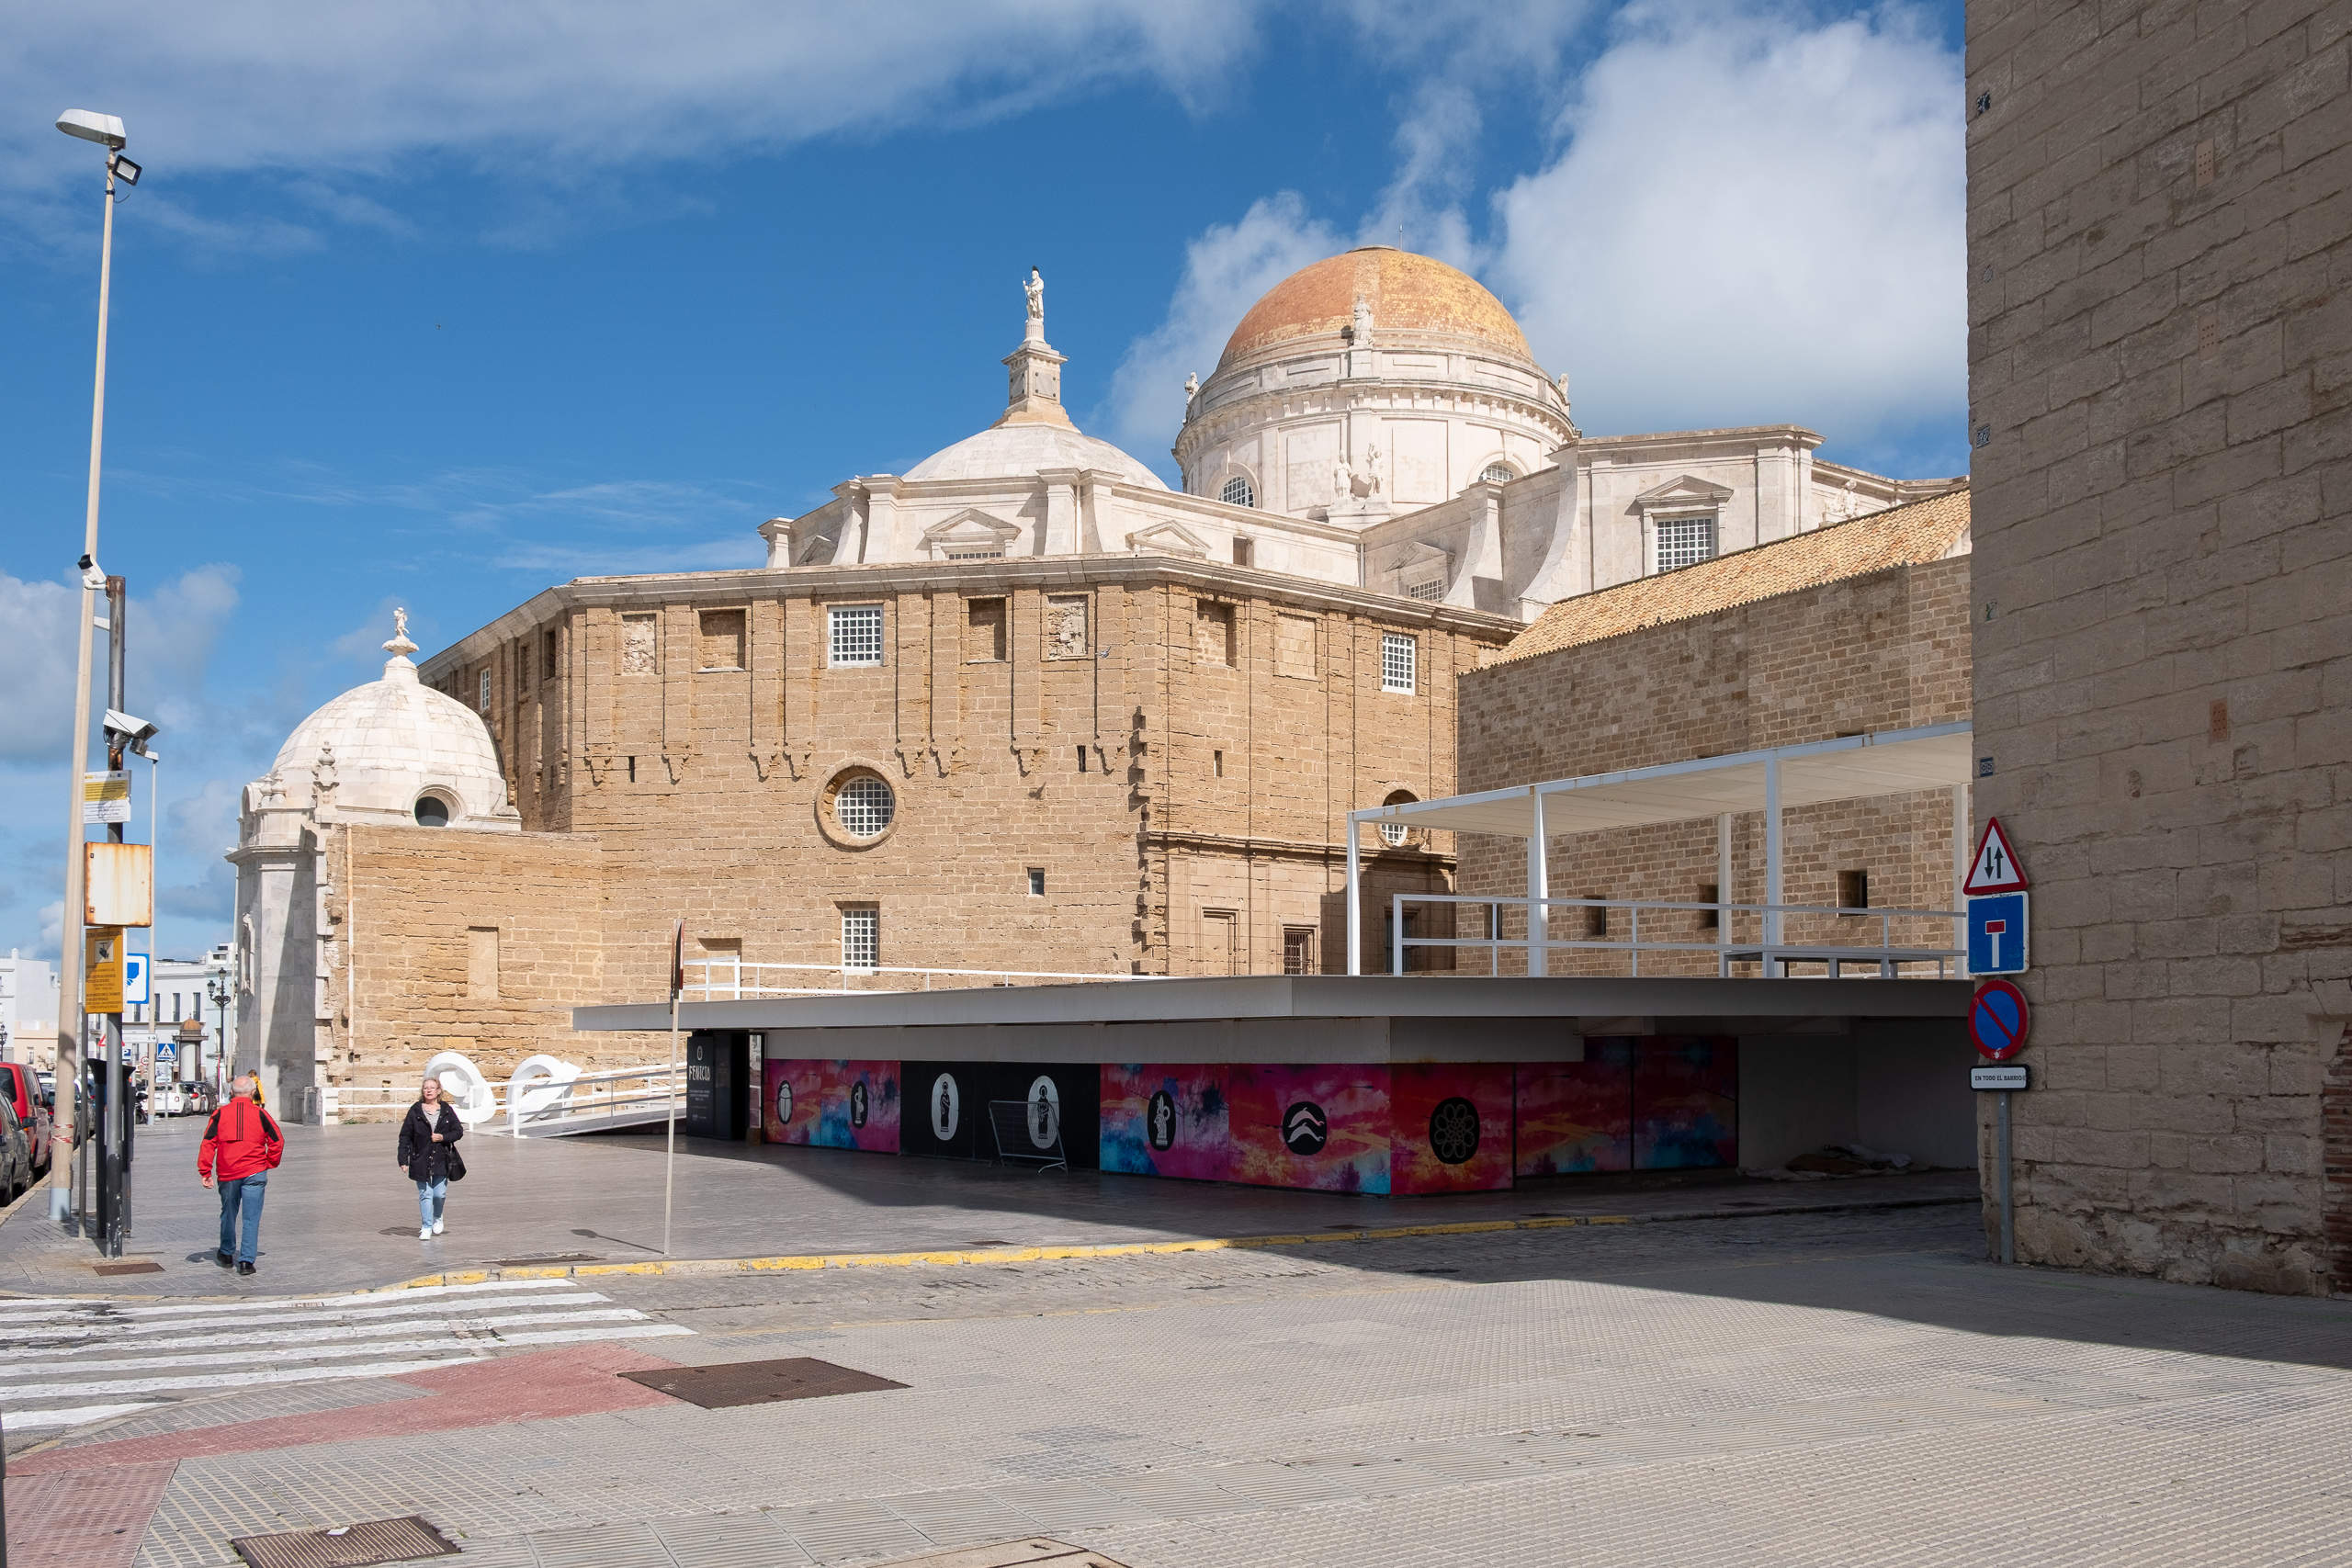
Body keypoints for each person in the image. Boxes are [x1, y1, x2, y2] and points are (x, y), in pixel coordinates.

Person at [198, 1075, 283, 1277]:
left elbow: (208, 1142)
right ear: (253, 1093)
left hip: (228, 1172)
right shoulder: (261, 1114)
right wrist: (269, 1162)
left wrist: (205, 1170)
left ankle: (227, 1253)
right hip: (255, 1171)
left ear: (231, 1092)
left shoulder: (220, 1114)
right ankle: (246, 1261)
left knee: (228, 1212)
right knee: (251, 1217)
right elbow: (277, 1141)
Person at [397, 1075, 464, 1239]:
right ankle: (426, 1226)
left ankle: (438, 1216)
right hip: (420, 1158)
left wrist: (443, 1137)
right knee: (425, 1194)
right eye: (426, 1088)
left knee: (439, 1194)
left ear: (439, 1091)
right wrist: (403, 1159)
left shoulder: (446, 1110)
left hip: (441, 1158)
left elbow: (458, 1131)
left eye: (432, 1088)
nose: (428, 1090)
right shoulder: (415, 1110)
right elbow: (405, 1136)